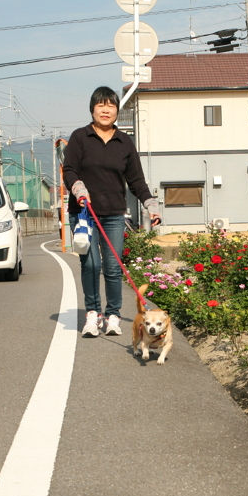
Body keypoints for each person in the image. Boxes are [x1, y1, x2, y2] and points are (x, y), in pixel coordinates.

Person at [63, 86, 160, 338]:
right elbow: (70, 170)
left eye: (111, 106)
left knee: (114, 268)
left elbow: (136, 180)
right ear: (92, 109)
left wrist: (150, 205)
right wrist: (79, 189)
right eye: (100, 105)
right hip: (84, 214)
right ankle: (93, 315)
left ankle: (113, 316)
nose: (105, 110)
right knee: (91, 265)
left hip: (114, 214)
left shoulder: (124, 141)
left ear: (117, 110)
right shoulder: (80, 137)